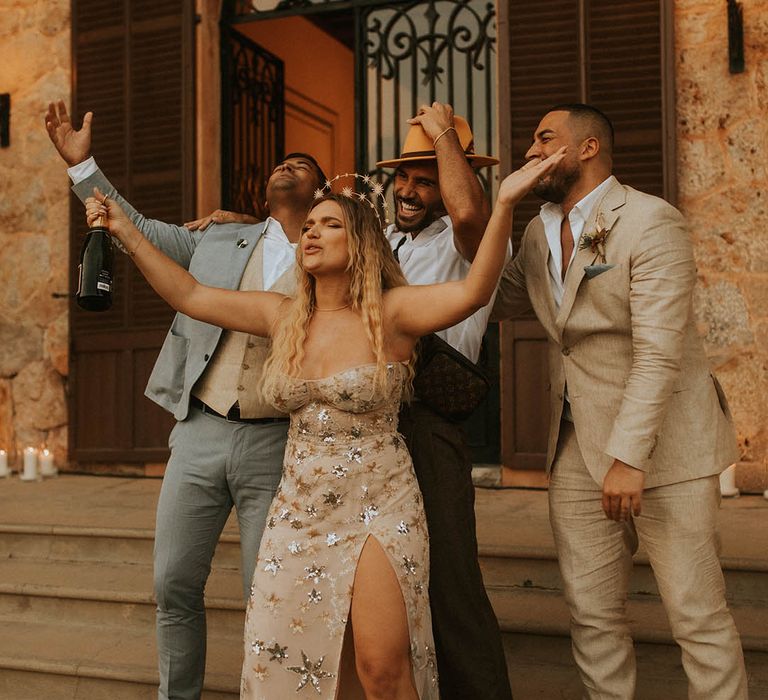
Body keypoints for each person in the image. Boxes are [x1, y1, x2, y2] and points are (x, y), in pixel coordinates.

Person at [83, 147, 565, 699]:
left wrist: (503, 201)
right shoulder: (281, 315)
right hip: (298, 511)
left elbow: (475, 290)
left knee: (381, 667)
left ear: (357, 240)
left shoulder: (394, 312)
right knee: (315, 670)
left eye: (328, 224)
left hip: (379, 504)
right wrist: (124, 229)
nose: (310, 234)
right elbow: (188, 294)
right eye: (308, 225)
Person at [44, 100, 327, 700]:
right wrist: (82, 168)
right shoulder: (218, 237)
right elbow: (135, 230)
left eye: (301, 164)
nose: (286, 166)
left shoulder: (336, 255)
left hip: (279, 440)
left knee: (268, 594)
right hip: (199, 430)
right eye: (281, 161)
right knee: (172, 583)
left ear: (323, 193)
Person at [492, 103, 748, 699]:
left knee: (697, 617)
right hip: (576, 447)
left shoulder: (651, 221)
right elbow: (493, 300)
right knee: (592, 617)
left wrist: (629, 458)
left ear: (586, 148)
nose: (530, 151)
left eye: (544, 138)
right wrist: (495, 208)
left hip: (667, 449)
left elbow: (658, 353)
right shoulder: (535, 231)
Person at [377, 103, 513, 700]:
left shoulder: (473, 243)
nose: (409, 189)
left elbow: (468, 209)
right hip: (371, 424)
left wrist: (441, 136)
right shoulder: (378, 238)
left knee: (450, 581)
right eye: (404, 176)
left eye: (425, 177)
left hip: (430, 422)